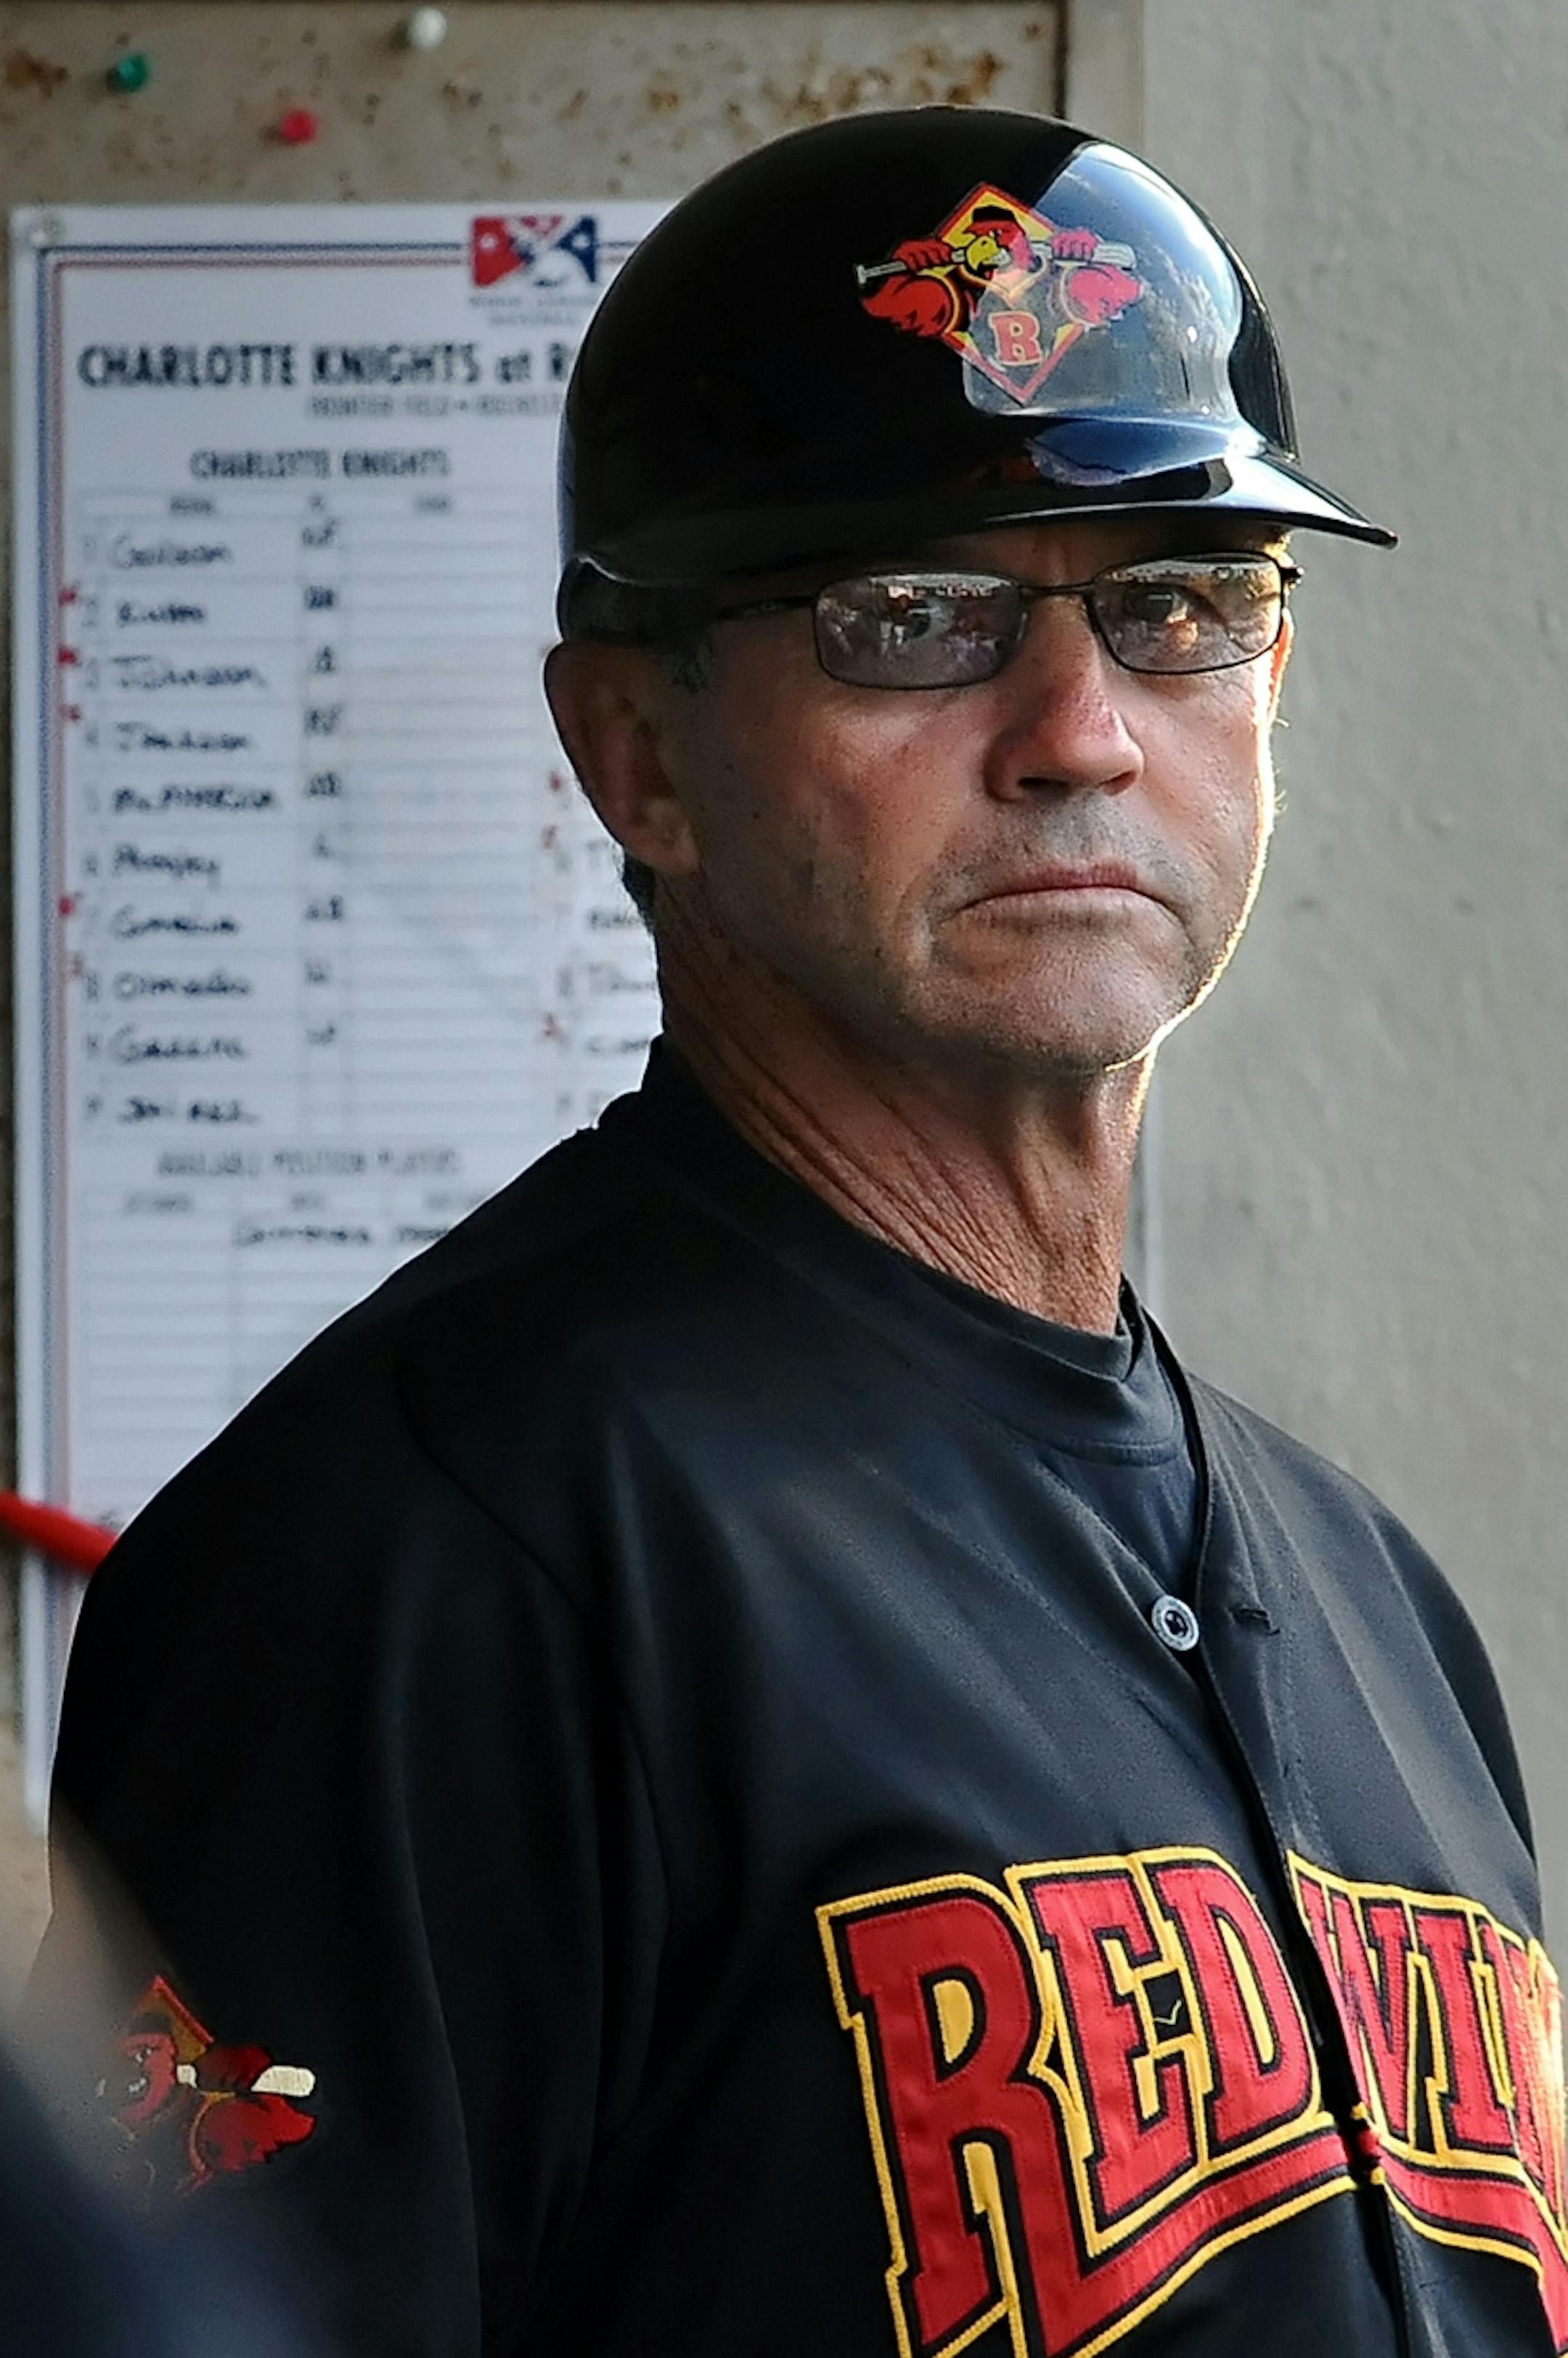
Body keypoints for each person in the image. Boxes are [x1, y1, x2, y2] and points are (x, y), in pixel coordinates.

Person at [25, 108, 1564, 2358]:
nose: (1078, 731)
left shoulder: (1385, 1611)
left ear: (1271, 692)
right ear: (636, 752)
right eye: (913, 619)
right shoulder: (417, 1563)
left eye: (1180, 601)